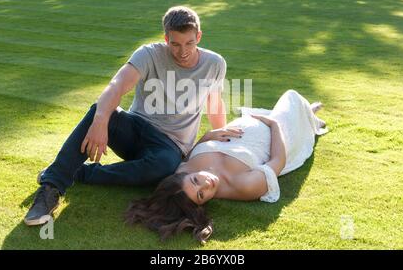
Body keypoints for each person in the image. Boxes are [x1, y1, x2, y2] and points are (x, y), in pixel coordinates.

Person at [24, 6, 235, 226]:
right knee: (101, 110)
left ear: (198, 36)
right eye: (175, 44)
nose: (183, 51)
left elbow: (214, 103)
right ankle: (50, 189)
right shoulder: (148, 54)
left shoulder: (215, 64)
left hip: (170, 146)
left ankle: (79, 173)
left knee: (164, 166)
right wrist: (100, 122)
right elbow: (116, 86)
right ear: (166, 38)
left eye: (189, 43)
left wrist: (221, 145)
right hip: (135, 129)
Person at [125, 90, 328, 243]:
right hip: (279, 134)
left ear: (186, 175)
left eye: (196, 180)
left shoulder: (183, 170)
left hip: (247, 126)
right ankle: (308, 116)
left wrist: (207, 137)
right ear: (201, 204)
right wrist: (273, 124)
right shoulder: (243, 187)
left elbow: (191, 155)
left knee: (290, 104)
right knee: (291, 98)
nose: (207, 184)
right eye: (202, 195)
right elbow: (278, 160)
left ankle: (305, 114)